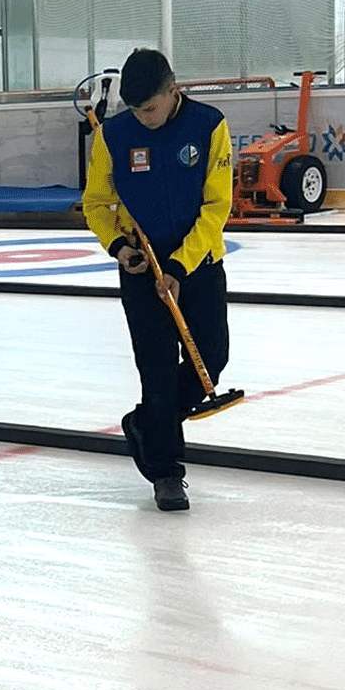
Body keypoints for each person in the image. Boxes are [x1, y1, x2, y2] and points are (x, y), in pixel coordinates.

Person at [81, 48, 232, 513]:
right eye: (134, 110)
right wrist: (119, 248)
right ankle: (167, 472)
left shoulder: (209, 126)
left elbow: (216, 208)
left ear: (173, 91)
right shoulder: (114, 135)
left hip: (198, 265)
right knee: (158, 370)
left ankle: (147, 422)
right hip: (143, 270)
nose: (142, 118)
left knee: (213, 357)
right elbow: (96, 202)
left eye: (150, 108)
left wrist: (181, 266)